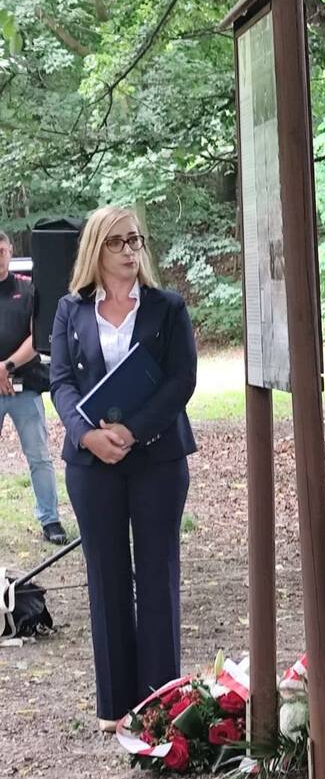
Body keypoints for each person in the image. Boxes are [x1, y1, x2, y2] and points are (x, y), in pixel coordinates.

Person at [50, 206, 197, 732]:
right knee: (106, 577)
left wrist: (132, 432)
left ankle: (160, 703)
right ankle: (115, 708)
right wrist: (87, 435)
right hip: (91, 464)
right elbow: (61, 382)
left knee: (158, 576)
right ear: (97, 249)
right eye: (118, 242)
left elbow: (181, 380)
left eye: (135, 240)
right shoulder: (70, 310)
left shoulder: (168, 307)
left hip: (157, 458)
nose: (130, 250)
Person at [0, 231, 68, 545]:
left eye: (1, 251)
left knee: (39, 457)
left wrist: (6, 367)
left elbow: (37, 337)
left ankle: (50, 520)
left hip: (25, 386)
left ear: (10, 251)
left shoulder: (29, 290)